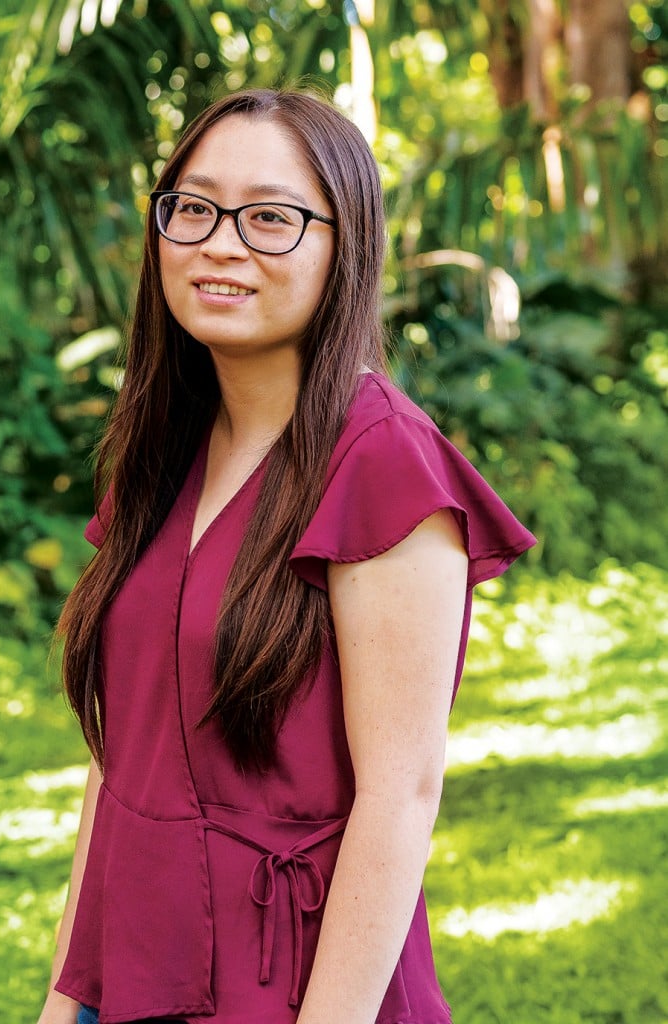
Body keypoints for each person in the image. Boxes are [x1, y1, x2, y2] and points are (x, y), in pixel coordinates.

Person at [35, 88, 536, 1024]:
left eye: (271, 218)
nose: (221, 243)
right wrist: (67, 994)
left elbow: (400, 795)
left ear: (345, 245)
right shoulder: (163, 448)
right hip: (135, 970)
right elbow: (121, 758)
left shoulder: (383, 461)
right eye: (194, 207)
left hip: (299, 988)